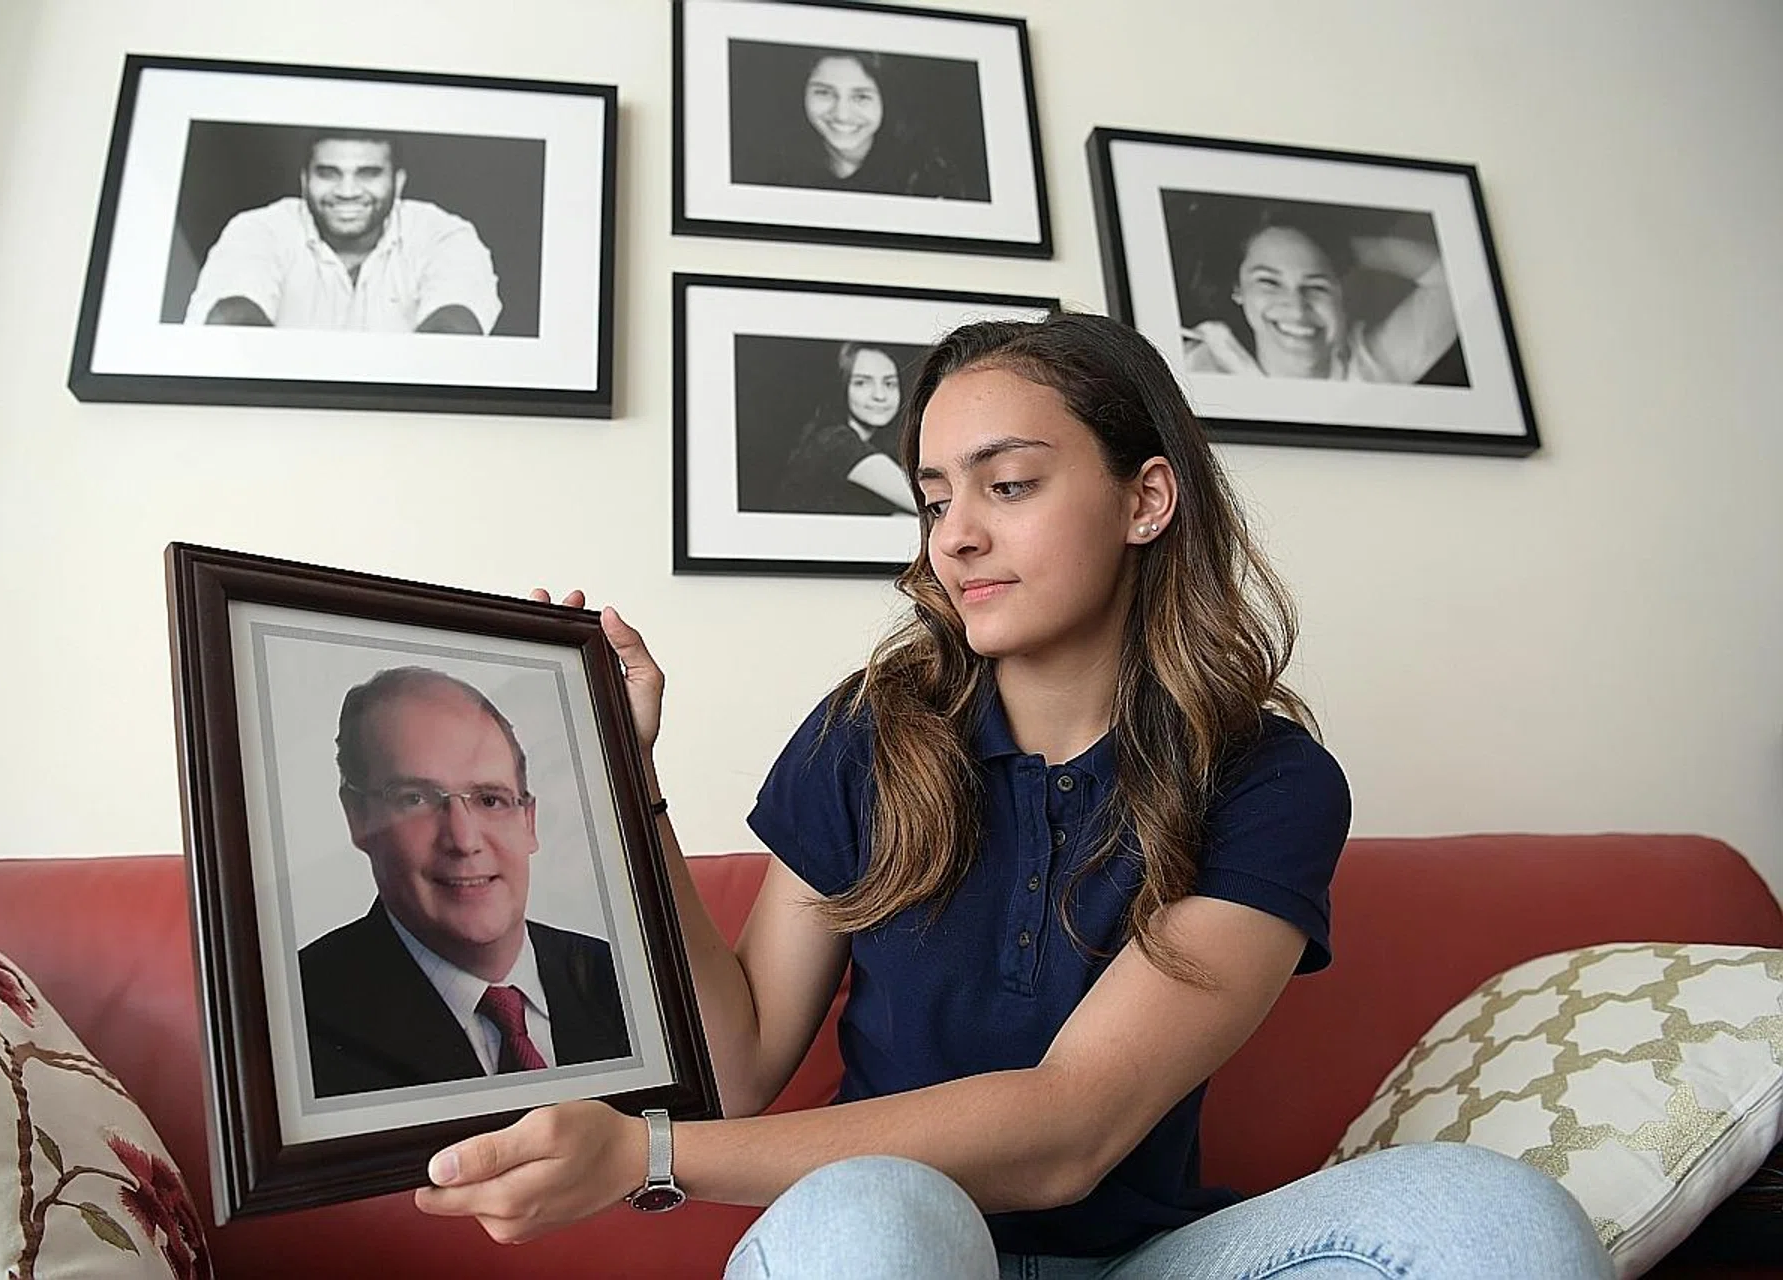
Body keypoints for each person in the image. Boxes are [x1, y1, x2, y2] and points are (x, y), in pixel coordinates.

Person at [412, 314, 1612, 1279]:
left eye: (1010, 485)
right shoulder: (867, 736)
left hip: (1150, 1255)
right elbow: (738, 1066)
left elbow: (1075, 1124)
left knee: (1495, 1214)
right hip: (894, 1244)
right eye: (936, 497)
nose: (956, 538)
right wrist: (627, 777)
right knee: (878, 1213)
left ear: (1147, 499)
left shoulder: (1269, 779)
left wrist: (648, 1153)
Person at [298, 667, 629, 1099]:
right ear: (357, 818)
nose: (463, 840)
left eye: (490, 799)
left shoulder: (616, 980)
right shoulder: (297, 1016)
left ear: (528, 820)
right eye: (415, 799)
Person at [183, 130, 503, 334]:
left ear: (399, 182)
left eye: (368, 173)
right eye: (328, 173)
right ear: (305, 181)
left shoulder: (443, 235)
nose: (347, 191)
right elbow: (229, 325)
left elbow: (456, 338)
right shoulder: (258, 229)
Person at [1183, 207, 1460, 383]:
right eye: (1269, 282)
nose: (1297, 308)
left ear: (1340, 294)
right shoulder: (1196, 366)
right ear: (1238, 290)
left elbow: (1457, 279)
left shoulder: (1379, 365)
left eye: (1317, 285)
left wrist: (1342, 249)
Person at [763, 50, 973, 199]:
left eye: (861, 97)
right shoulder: (775, 168)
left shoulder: (927, 176)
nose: (842, 114)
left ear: (886, 99)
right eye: (824, 92)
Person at [776, 342, 916, 515]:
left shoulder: (865, 442)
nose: (880, 395)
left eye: (889, 384)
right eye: (862, 383)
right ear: (841, 386)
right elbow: (923, 502)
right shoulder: (835, 442)